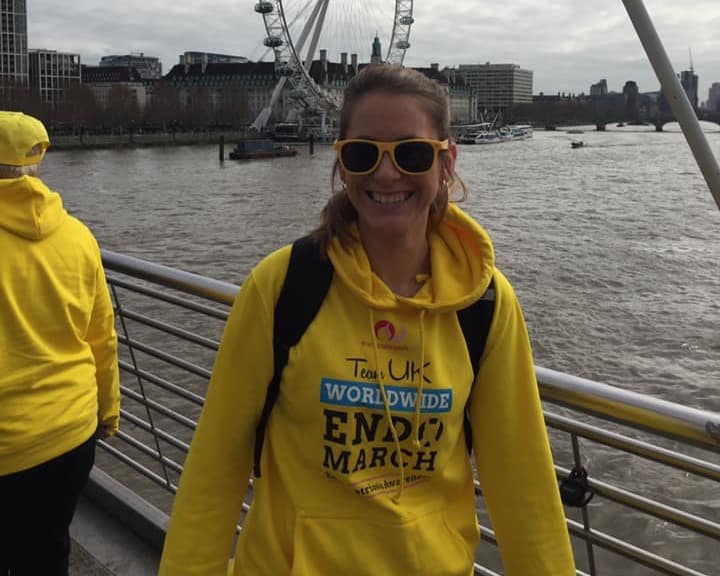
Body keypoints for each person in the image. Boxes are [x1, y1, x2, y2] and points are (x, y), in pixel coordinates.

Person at [159, 64, 575, 575]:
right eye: (363, 153)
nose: (385, 173)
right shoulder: (282, 286)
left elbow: (522, 481)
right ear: (341, 164)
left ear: (447, 163)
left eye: (411, 152)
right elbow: (215, 465)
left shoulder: (484, 304)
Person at [0, 111, 120, 576]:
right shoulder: (78, 237)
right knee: (48, 550)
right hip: (70, 434)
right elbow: (101, 339)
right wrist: (107, 411)